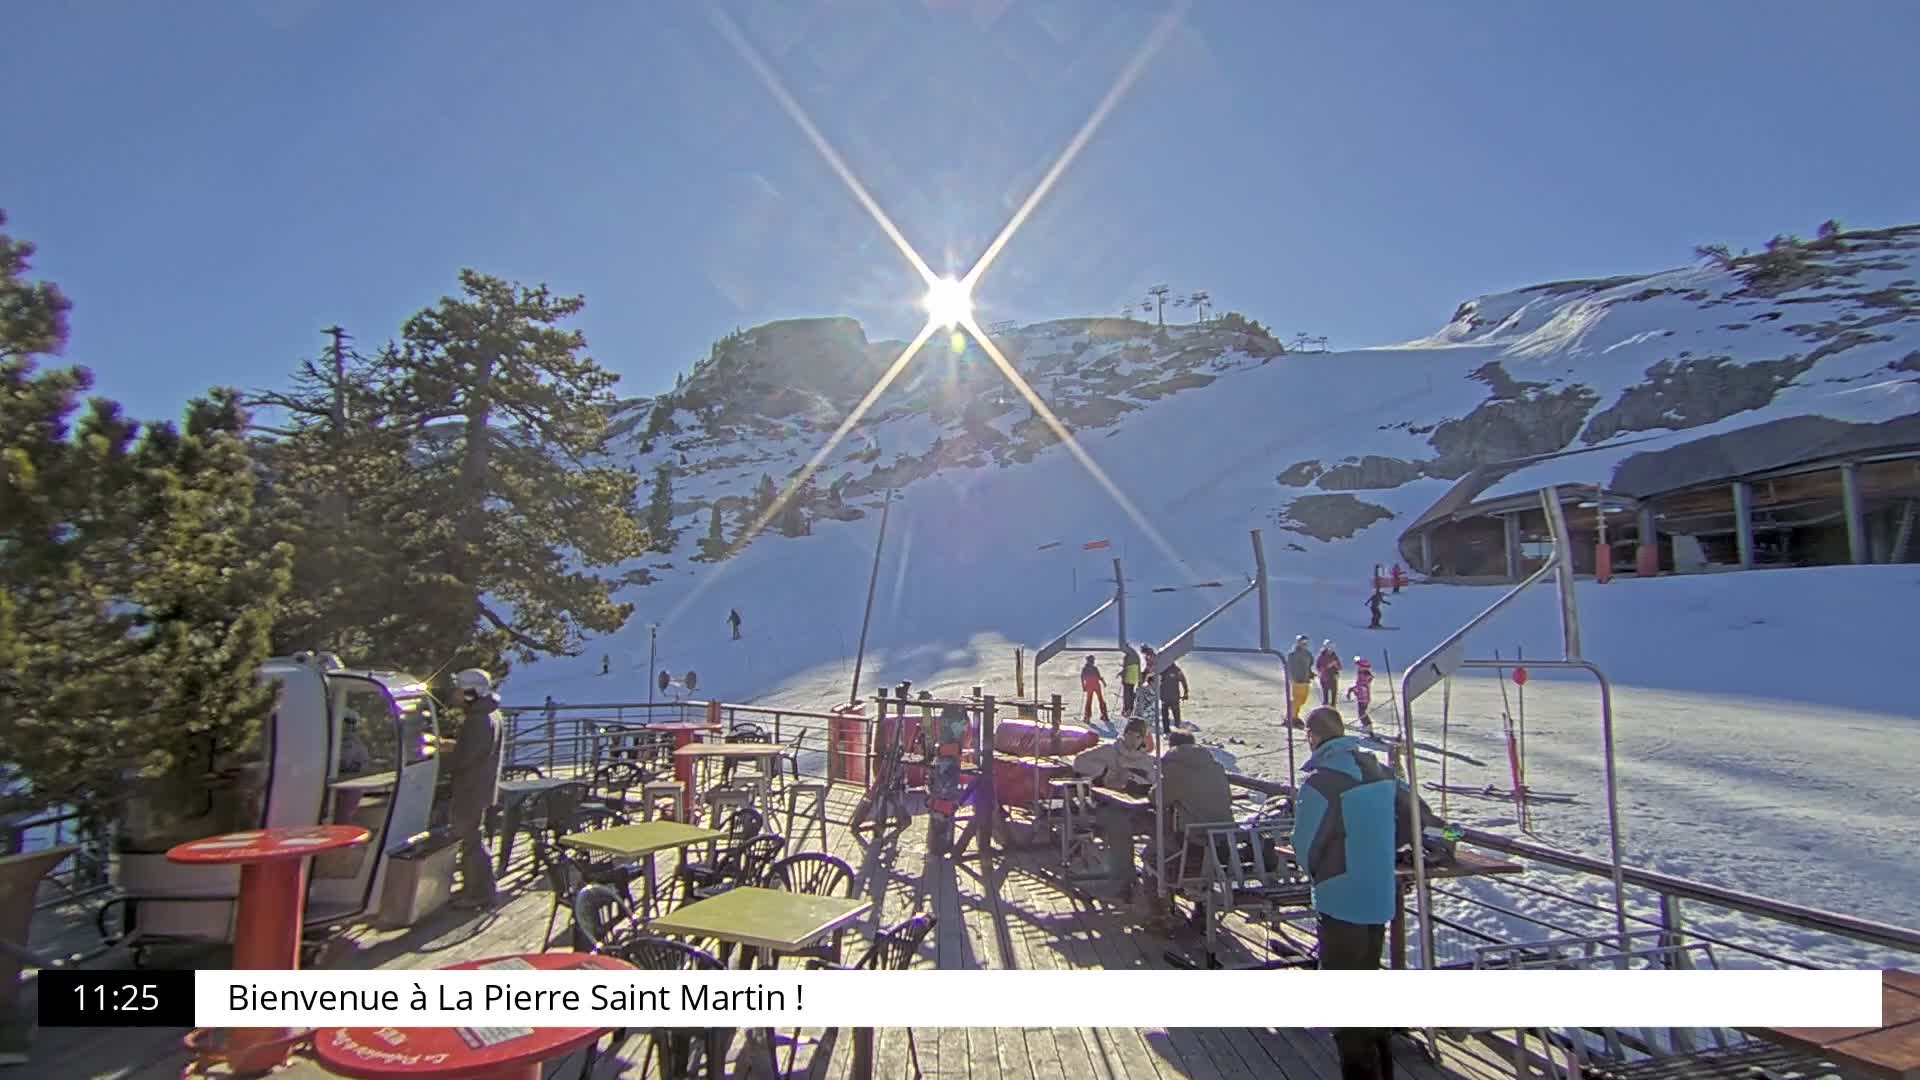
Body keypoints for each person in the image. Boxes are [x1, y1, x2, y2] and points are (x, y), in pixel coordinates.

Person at [1292, 707, 1399, 1080]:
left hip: (1341, 895)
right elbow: (1412, 816)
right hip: (1380, 893)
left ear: (1313, 736)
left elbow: (1306, 843)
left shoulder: (1322, 782)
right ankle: (1382, 1063)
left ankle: (1358, 1072)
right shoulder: (1378, 770)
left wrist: (1317, 875)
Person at [446, 668, 504, 911]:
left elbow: (467, 757)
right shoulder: (490, 714)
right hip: (480, 785)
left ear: (471, 693)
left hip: (471, 787)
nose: (456, 695)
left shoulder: (478, 720)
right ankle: (479, 888)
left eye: (460, 690)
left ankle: (479, 893)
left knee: (471, 841)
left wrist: (443, 753)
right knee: (473, 839)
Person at [1286, 635, 1315, 721]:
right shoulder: (1293, 654)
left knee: (1302, 700)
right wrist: (1293, 677)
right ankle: (1291, 716)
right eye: (1302, 642)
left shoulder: (1307, 654)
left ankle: (1295, 715)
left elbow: (1308, 666)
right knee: (1297, 699)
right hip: (1297, 680)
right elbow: (1291, 667)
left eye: (1306, 642)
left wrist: (1310, 674)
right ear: (1298, 643)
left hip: (1305, 680)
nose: (1304, 644)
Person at [1157, 659, 1190, 733]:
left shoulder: (1163, 670)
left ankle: (1166, 730)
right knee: (1176, 714)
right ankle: (1177, 729)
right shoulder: (1177, 670)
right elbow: (1183, 681)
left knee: (1165, 715)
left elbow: (1155, 680)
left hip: (1165, 696)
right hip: (1174, 696)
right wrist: (1186, 692)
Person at [1080, 655, 1111, 724]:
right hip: (1096, 685)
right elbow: (1099, 676)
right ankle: (1104, 715)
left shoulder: (1085, 669)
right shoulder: (1095, 668)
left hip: (1089, 686)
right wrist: (1103, 682)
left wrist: (1083, 687)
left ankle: (1087, 717)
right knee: (1101, 700)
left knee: (1089, 701)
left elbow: (1082, 678)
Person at [1346, 657, 1375, 729]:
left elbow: (1361, 685)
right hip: (1361, 697)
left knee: (1361, 712)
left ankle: (1368, 725)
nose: (1358, 668)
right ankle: (1366, 725)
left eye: (1359, 666)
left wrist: (1353, 690)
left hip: (1364, 698)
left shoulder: (1364, 674)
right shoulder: (1362, 673)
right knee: (1361, 712)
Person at [1317, 641, 1343, 706]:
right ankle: (1325, 709)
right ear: (1326, 647)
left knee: (1334, 697)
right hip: (1325, 678)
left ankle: (1333, 709)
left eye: (1332, 647)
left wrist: (1336, 665)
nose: (1331, 648)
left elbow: (1340, 667)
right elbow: (1318, 668)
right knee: (1325, 697)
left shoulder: (1334, 656)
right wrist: (1328, 666)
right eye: (1330, 646)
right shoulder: (1322, 656)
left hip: (1333, 678)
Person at [1120, 644, 1142, 716]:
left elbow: (1127, 668)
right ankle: (1130, 708)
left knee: (1127, 694)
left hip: (1128, 678)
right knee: (1130, 693)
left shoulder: (1129, 656)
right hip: (1133, 678)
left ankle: (1127, 709)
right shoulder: (1134, 654)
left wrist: (1123, 675)